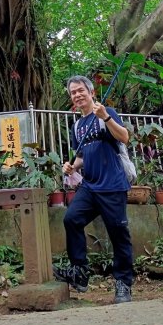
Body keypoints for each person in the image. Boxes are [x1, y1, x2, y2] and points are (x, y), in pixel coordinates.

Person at [54, 75, 133, 304]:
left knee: (119, 235)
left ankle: (123, 284)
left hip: (113, 185)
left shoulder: (105, 113)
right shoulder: (77, 126)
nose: (77, 95)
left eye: (81, 91)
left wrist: (106, 117)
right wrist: (71, 166)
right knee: (72, 219)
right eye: (73, 93)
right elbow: (82, 156)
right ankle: (80, 273)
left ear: (91, 93)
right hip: (90, 186)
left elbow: (124, 137)